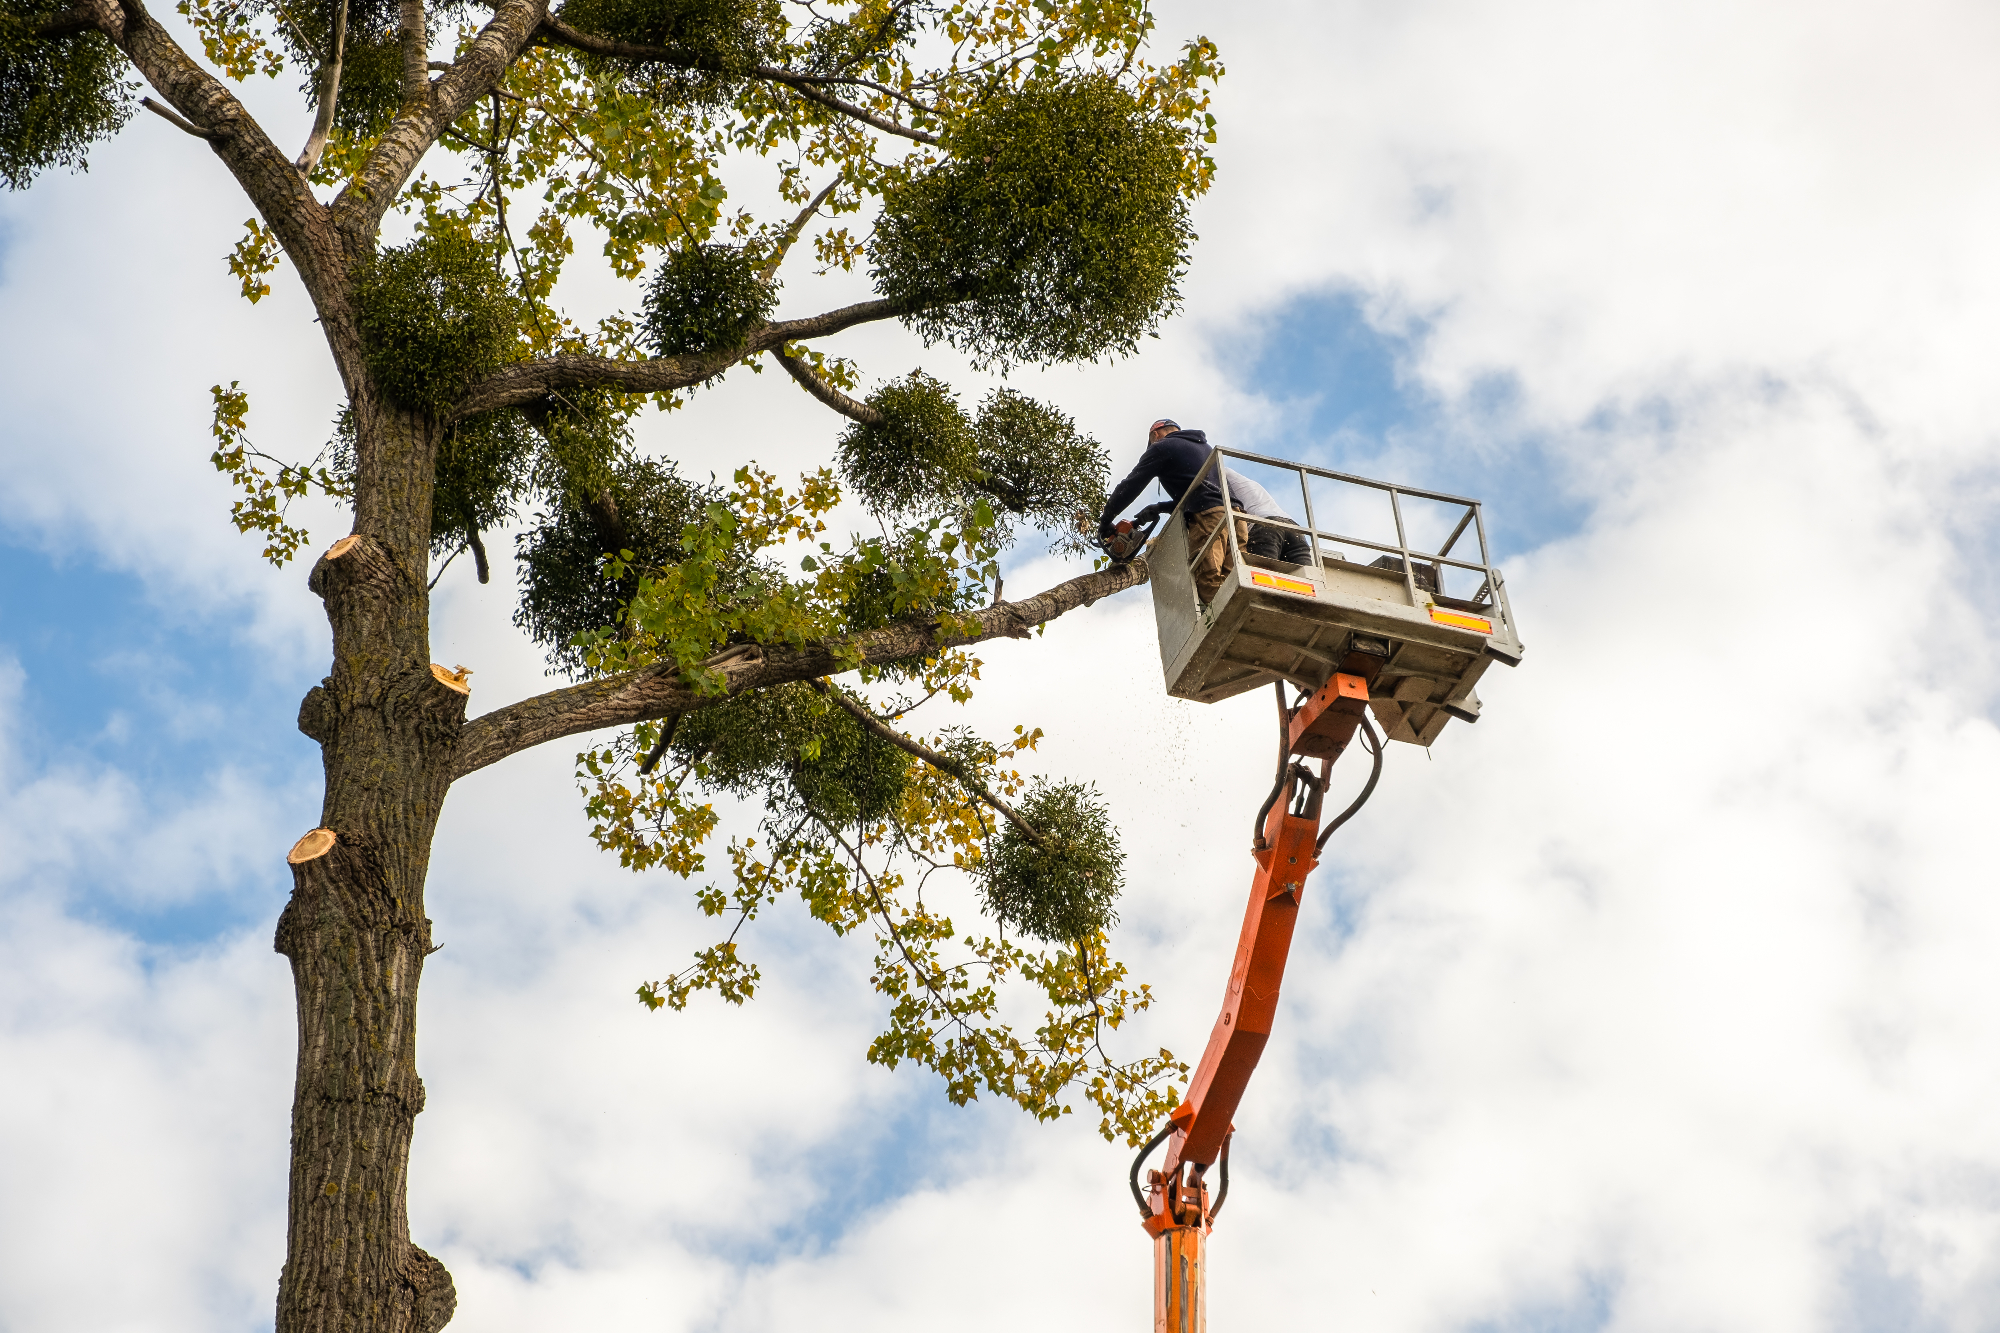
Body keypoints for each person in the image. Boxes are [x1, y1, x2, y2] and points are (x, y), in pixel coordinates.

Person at [1097, 419, 1249, 603]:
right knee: (1232, 584)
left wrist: (1106, 520)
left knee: (1209, 586)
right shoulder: (1202, 446)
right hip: (1237, 517)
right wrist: (1161, 508)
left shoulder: (1161, 446)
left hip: (1209, 518)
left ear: (1155, 435)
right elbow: (1201, 490)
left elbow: (1131, 485)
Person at [1225, 468, 1315, 566]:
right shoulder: (1243, 481)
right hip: (1294, 529)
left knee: (1263, 578)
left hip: (1265, 526)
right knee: (1305, 578)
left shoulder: (1217, 471)